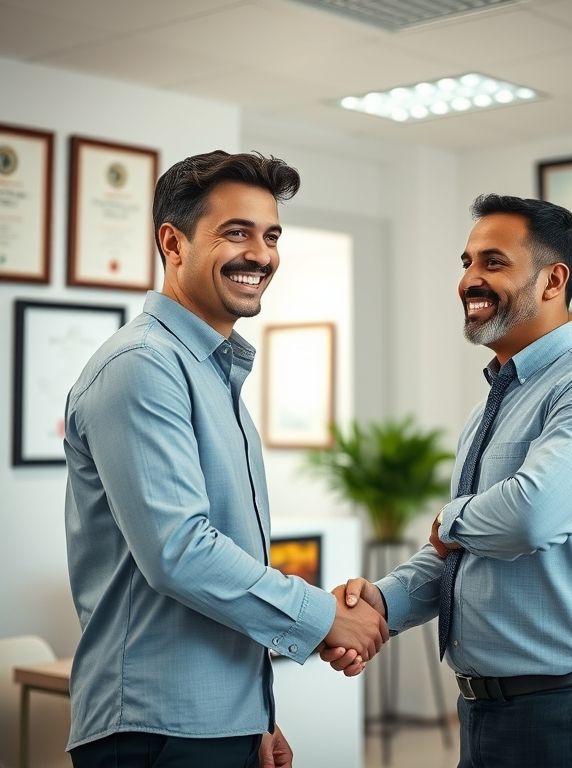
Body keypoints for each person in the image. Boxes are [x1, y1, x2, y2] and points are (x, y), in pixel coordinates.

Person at [63, 150, 387, 768]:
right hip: (156, 729)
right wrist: (324, 620)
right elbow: (179, 551)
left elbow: (225, 560)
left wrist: (255, 716)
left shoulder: (215, 372)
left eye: (270, 236)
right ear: (173, 243)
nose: (261, 255)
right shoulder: (142, 367)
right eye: (236, 232)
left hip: (216, 722)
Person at [324, 195, 572, 768]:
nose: (469, 280)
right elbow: (460, 554)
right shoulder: (492, 406)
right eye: (466, 262)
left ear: (554, 280)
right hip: (482, 712)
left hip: (565, 711)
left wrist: (448, 521)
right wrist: (379, 603)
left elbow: (530, 515)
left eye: (493, 263)